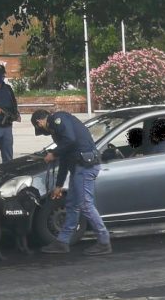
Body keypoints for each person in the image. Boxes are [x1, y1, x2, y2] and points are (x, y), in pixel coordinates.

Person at [31, 109, 112, 255]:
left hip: (85, 167)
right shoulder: (59, 131)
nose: (45, 132)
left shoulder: (59, 119)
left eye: (41, 128)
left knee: (85, 205)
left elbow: (70, 140)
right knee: (72, 204)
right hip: (78, 168)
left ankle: (104, 241)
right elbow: (64, 159)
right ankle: (62, 242)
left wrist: (53, 153)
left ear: (40, 122)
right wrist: (59, 185)